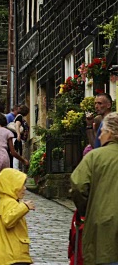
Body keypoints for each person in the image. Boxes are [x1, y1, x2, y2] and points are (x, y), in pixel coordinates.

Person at [71, 111, 118, 265]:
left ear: (110, 133)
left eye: (102, 131)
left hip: (103, 225)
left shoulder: (95, 156)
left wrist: (86, 209)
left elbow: (78, 186)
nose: (99, 136)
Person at [0, 113, 29, 217]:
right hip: (3, 157)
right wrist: (23, 160)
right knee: (4, 190)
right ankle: (5, 216)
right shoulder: (7, 132)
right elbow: (12, 151)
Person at [0, 168, 35, 265]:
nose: (24, 188)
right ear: (12, 185)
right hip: (13, 256)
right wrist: (25, 207)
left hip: (6, 255)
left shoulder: (4, 203)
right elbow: (8, 220)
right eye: (21, 184)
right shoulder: (10, 203)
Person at [12, 105, 30, 170]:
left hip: (18, 138)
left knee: (18, 153)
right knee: (17, 153)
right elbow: (17, 125)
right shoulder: (19, 117)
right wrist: (18, 135)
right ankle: (16, 169)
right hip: (18, 138)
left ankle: (17, 168)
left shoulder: (20, 117)